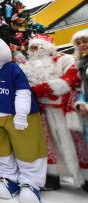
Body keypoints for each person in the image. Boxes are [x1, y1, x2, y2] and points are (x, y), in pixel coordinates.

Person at [0, 33, 47, 203]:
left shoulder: (11, 69)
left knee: (27, 148)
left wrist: (21, 115)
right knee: (2, 150)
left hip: (17, 118)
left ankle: (30, 183)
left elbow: (23, 92)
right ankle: (9, 179)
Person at [20, 34, 88, 191]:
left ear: (46, 47)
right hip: (42, 112)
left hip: (64, 110)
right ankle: (52, 177)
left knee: (76, 143)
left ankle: (85, 177)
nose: (33, 51)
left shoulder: (64, 59)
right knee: (48, 146)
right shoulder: (27, 66)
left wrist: (42, 89)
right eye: (31, 48)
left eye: (36, 47)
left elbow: (72, 79)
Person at [72, 29, 88, 192]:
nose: (83, 45)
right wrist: (82, 103)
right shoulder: (81, 63)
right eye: (79, 42)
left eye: (85, 41)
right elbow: (82, 88)